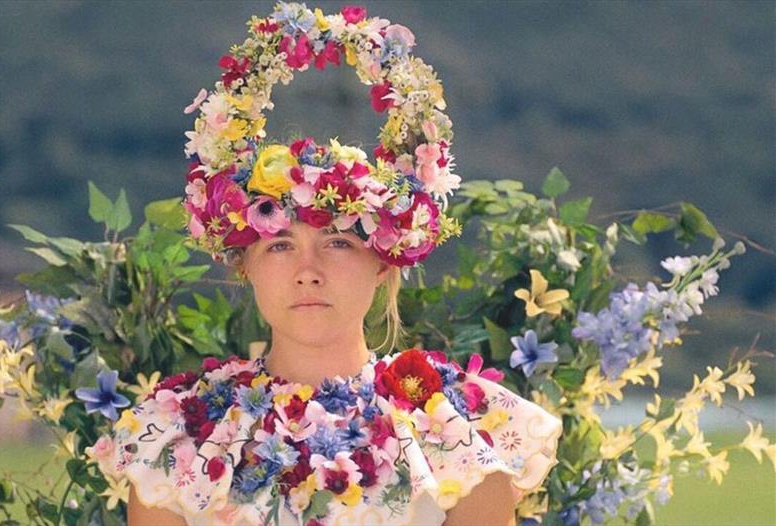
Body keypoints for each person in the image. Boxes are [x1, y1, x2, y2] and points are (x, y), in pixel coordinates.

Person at [85, 4, 563, 525]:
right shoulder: (183, 433)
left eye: (337, 243)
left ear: (383, 261)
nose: (307, 270)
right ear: (245, 264)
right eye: (280, 245)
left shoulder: (454, 424)